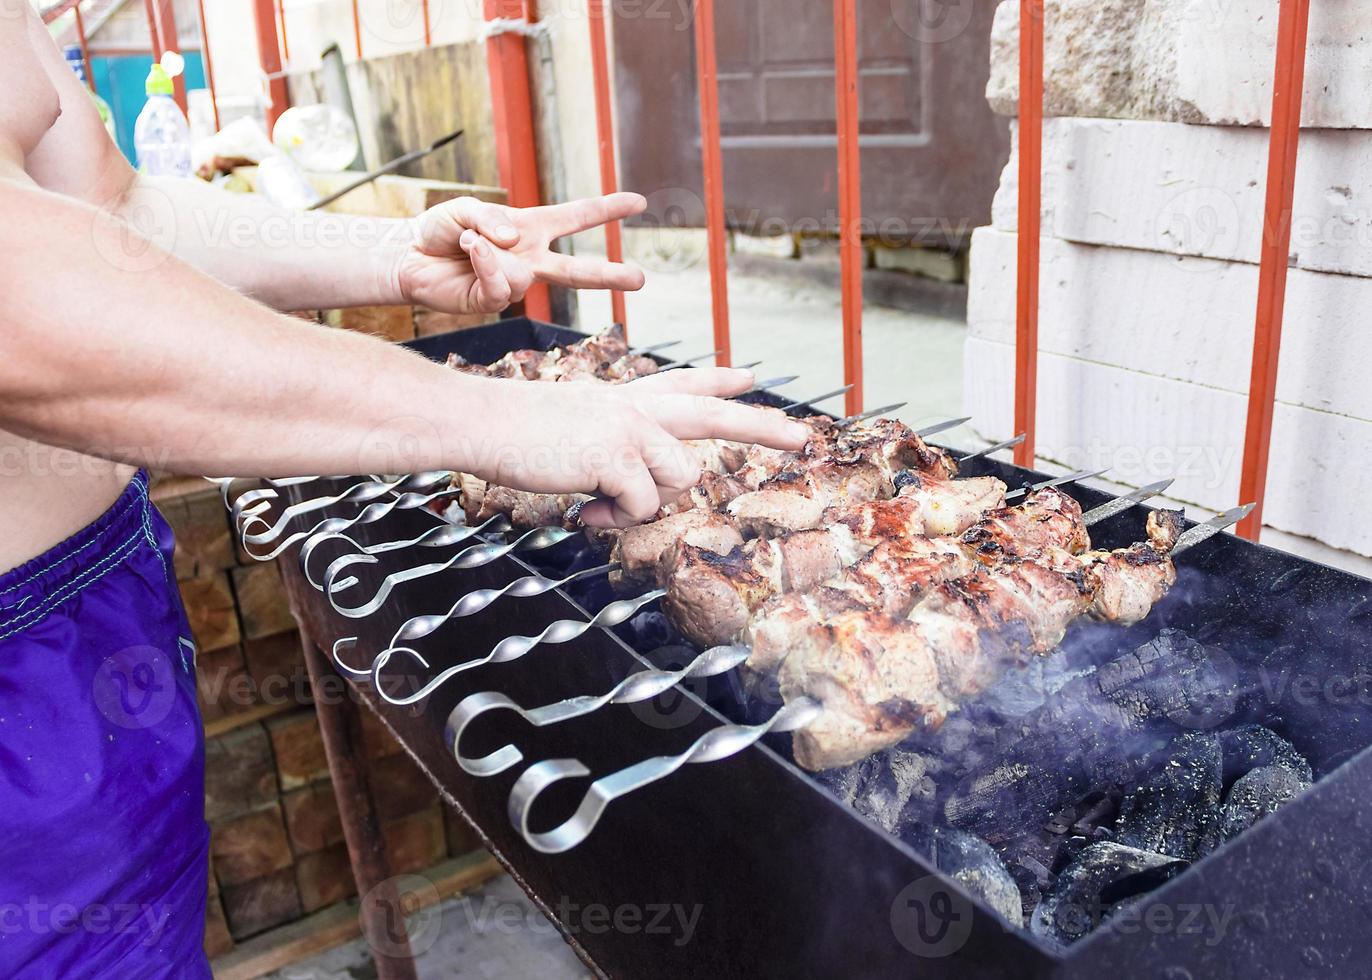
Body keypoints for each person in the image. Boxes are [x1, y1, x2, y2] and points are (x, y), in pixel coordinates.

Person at [0, 7, 806, 976]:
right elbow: (22, 313)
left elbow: (109, 216)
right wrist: (498, 420)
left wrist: (389, 256)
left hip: (89, 605)